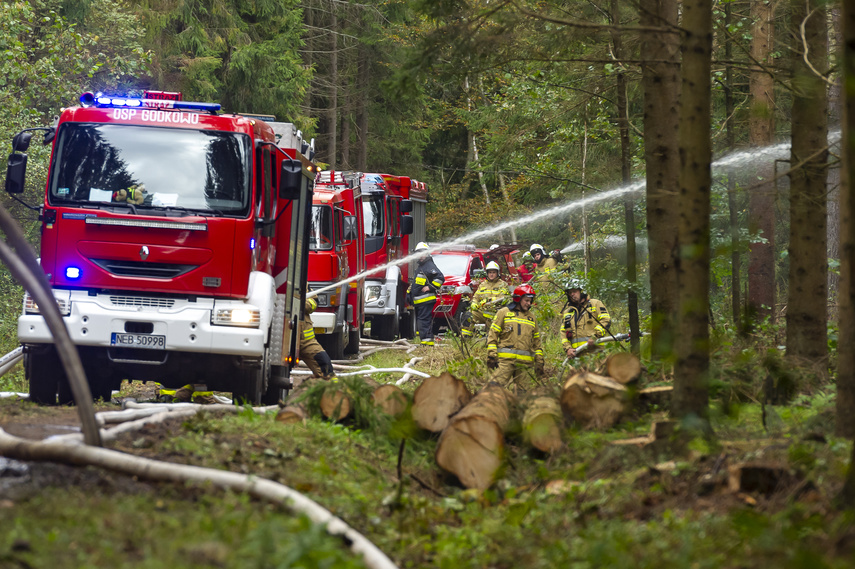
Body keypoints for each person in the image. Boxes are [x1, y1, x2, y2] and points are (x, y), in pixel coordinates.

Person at [486, 284, 545, 393]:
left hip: (524, 365)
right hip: (505, 362)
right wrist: (492, 355)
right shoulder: (503, 313)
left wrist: (539, 362)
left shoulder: (532, 318)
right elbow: (493, 335)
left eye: (530, 301)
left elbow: (537, 343)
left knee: (522, 397)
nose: (529, 303)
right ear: (518, 298)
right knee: (492, 390)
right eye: (526, 300)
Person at [561, 282, 611, 358]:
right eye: (570, 292)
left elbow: (606, 320)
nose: (572, 294)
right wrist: (568, 348)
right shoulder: (567, 312)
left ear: (581, 291)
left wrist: (595, 336)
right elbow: (563, 332)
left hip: (595, 354)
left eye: (574, 291)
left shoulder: (595, 304)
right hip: (576, 357)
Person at [409, 242, 444, 346]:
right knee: (422, 320)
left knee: (424, 320)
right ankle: (425, 340)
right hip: (420, 300)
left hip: (426, 299)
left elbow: (440, 277)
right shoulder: (422, 266)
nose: (420, 256)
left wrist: (430, 287)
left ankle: (427, 342)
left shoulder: (429, 265)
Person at [462, 261, 509, 337]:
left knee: (492, 334)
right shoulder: (483, 284)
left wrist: (487, 300)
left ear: (497, 273)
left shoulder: (503, 284)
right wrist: (474, 303)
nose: (491, 274)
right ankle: (466, 340)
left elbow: (503, 298)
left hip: (495, 312)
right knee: (468, 315)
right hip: (482, 311)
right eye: (490, 272)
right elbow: (476, 297)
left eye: (493, 272)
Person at [300, 298, 337, 380]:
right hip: (282, 341)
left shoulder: (305, 286)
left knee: (325, 365)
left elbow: (314, 302)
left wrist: (300, 302)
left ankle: (335, 389)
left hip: (305, 341)